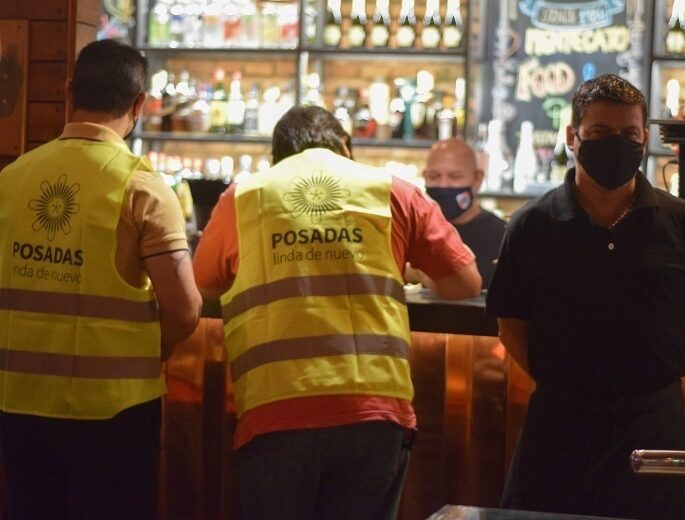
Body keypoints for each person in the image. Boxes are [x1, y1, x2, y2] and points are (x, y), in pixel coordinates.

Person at [193, 105, 481, 520]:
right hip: (374, 410)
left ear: (276, 157)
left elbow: (202, 286)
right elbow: (465, 283)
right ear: (345, 146)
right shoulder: (393, 191)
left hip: (276, 409)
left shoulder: (245, 196)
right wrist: (411, 268)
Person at [486, 74, 685, 520]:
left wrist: (661, 375)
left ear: (644, 138)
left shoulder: (682, 221)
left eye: (629, 134)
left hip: (654, 426)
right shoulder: (532, 225)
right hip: (559, 427)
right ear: (572, 137)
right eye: (600, 132)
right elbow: (511, 324)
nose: (617, 144)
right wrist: (559, 381)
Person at [0, 40, 202, 520]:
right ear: (139, 103)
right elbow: (185, 310)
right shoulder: (143, 188)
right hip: (115, 411)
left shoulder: (12, 179)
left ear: (69, 90)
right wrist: (154, 347)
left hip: (19, 402)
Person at [422, 138, 506, 288]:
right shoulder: (415, 231)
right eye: (434, 176)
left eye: (454, 176)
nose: (443, 185)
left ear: (477, 179)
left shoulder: (503, 237)